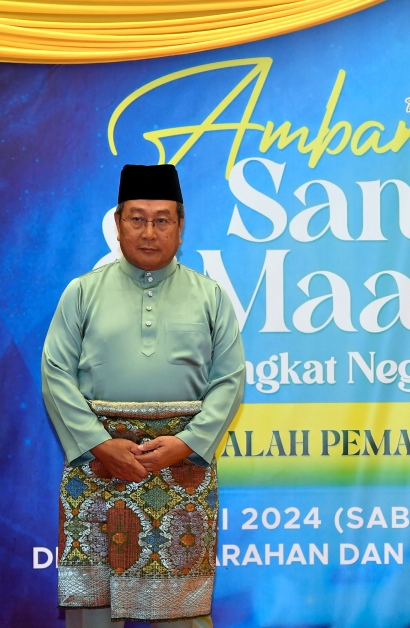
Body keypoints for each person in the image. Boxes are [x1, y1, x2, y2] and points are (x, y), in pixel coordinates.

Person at [42, 164, 245, 628]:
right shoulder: (81, 293)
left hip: (181, 470)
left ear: (180, 227)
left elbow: (230, 379)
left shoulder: (210, 296)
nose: (149, 232)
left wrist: (186, 444)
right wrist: (99, 445)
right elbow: (55, 373)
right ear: (117, 224)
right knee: (91, 615)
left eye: (161, 220)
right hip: (98, 469)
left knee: (182, 617)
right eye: (137, 218)